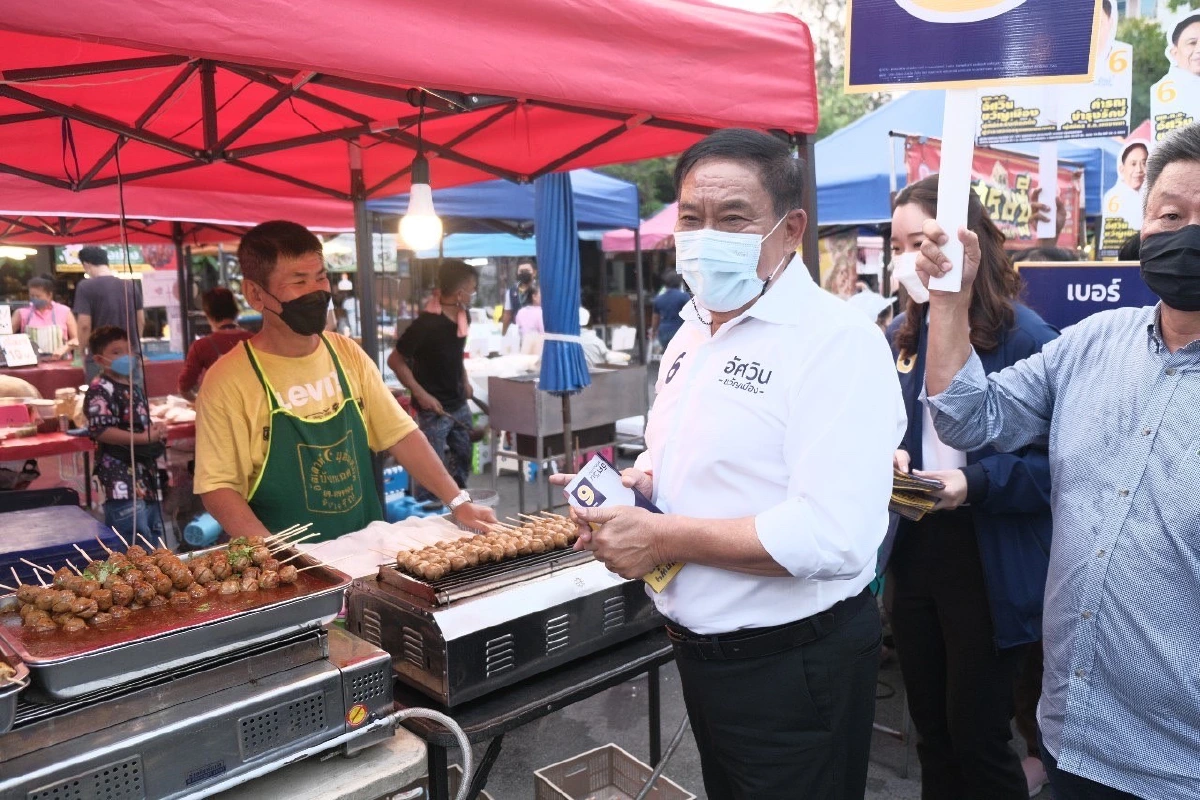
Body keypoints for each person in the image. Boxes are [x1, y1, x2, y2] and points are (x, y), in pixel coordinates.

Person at [552, 129, 906, 800]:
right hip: (702, 654)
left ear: (790, 228)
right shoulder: (693, 330)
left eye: (733, 217)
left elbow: (831, 533)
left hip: (793, 667)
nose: (705, 234)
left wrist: (661, 537)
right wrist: (646, 488)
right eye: (691, 217)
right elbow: (687, 457)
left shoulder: (836, 343)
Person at [916, 123, 1200, 800]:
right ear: (1143, 221)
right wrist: (951, 303)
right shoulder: (1092, 344)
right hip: (1073, 738)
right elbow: (968, 414)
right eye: (1172, 214)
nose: (1188, 232)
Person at [886, 175, 1058, 800]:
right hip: (914, 545)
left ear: (967, 244)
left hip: (992, 559)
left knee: (978, 734)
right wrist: (891, 457)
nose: (910, 259)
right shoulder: (902, 335)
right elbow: (882, 427)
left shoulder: (1029, 340)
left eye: (922, 241)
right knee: (930, 728)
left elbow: (1060, 468)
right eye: (899, 245)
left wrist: (975, 482)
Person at [195, 222, 496, 542]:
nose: (316, 291)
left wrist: (458, 502)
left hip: (367, 550)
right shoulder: (228, 380)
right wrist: (275, 555)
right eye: (299, 281)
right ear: (255, 293)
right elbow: (218, 486)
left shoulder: (346, 354)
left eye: (321, 277)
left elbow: (402, 435)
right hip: (291, 564)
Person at [387, 260, 478, 504]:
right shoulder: (425, 324)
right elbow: (394, 360)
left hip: (458, 402)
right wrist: (421, 394)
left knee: (463, 456)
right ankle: (427, 513)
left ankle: (460, 508)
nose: (473, 294)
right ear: (460, 293)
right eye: (472, 289)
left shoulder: (462, 315)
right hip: (432, 409)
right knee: (431, 470)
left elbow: (456, 353)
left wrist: (465, 379)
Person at [85, 325, 168, 542]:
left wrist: (155, 430)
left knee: (154, 538)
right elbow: (100, 429)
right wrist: (142, 438)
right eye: (116, 352)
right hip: (120, 483)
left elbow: (140, 423)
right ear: (100, 359)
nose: (126, 356)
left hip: (146, 480)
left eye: (128, 350)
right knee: (132, 544)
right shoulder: (100, 389)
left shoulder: (134, 387)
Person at [74, 246, 144, 380]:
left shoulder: (85, 286)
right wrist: (134, 346)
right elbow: (141, 320)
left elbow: (84, 325)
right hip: (129, 356)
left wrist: (82, 351)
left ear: (86, 264)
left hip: (101, 357)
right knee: (133, 397)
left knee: (102, 398)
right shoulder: (130, 285)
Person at [177, 288, 254, 400]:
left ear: (208, 314)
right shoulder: (255, 340)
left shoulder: (201, 346)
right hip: (253, 409)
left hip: (220, 410)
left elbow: (184, 386)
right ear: (236, 311)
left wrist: (199, 403)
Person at [12, 276, 77, 358]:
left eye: (38, 296)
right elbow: (5, 336)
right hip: (32, 365)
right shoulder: (21, 313)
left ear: (49, 295)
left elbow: (77, 339)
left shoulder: (64, 311)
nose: (34, 299)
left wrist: (65, 348)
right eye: (32, 296)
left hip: (61, 363)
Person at [650, 272, 689, 350]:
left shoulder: (659, 298)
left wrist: (653, 331)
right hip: (679, 331)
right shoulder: (684, 297)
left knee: (667, 355)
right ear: (679, 283)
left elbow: (655, 318)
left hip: (663, 332)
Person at [500, 262, 536, 335]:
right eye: (521, 271)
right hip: (517, 332)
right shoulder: (511, 291)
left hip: (536, 333)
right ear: (517, 273)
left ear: (534, 272)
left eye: (527, 271)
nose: (524, 273)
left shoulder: (539, 290)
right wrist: (503, 334)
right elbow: (507, 314)